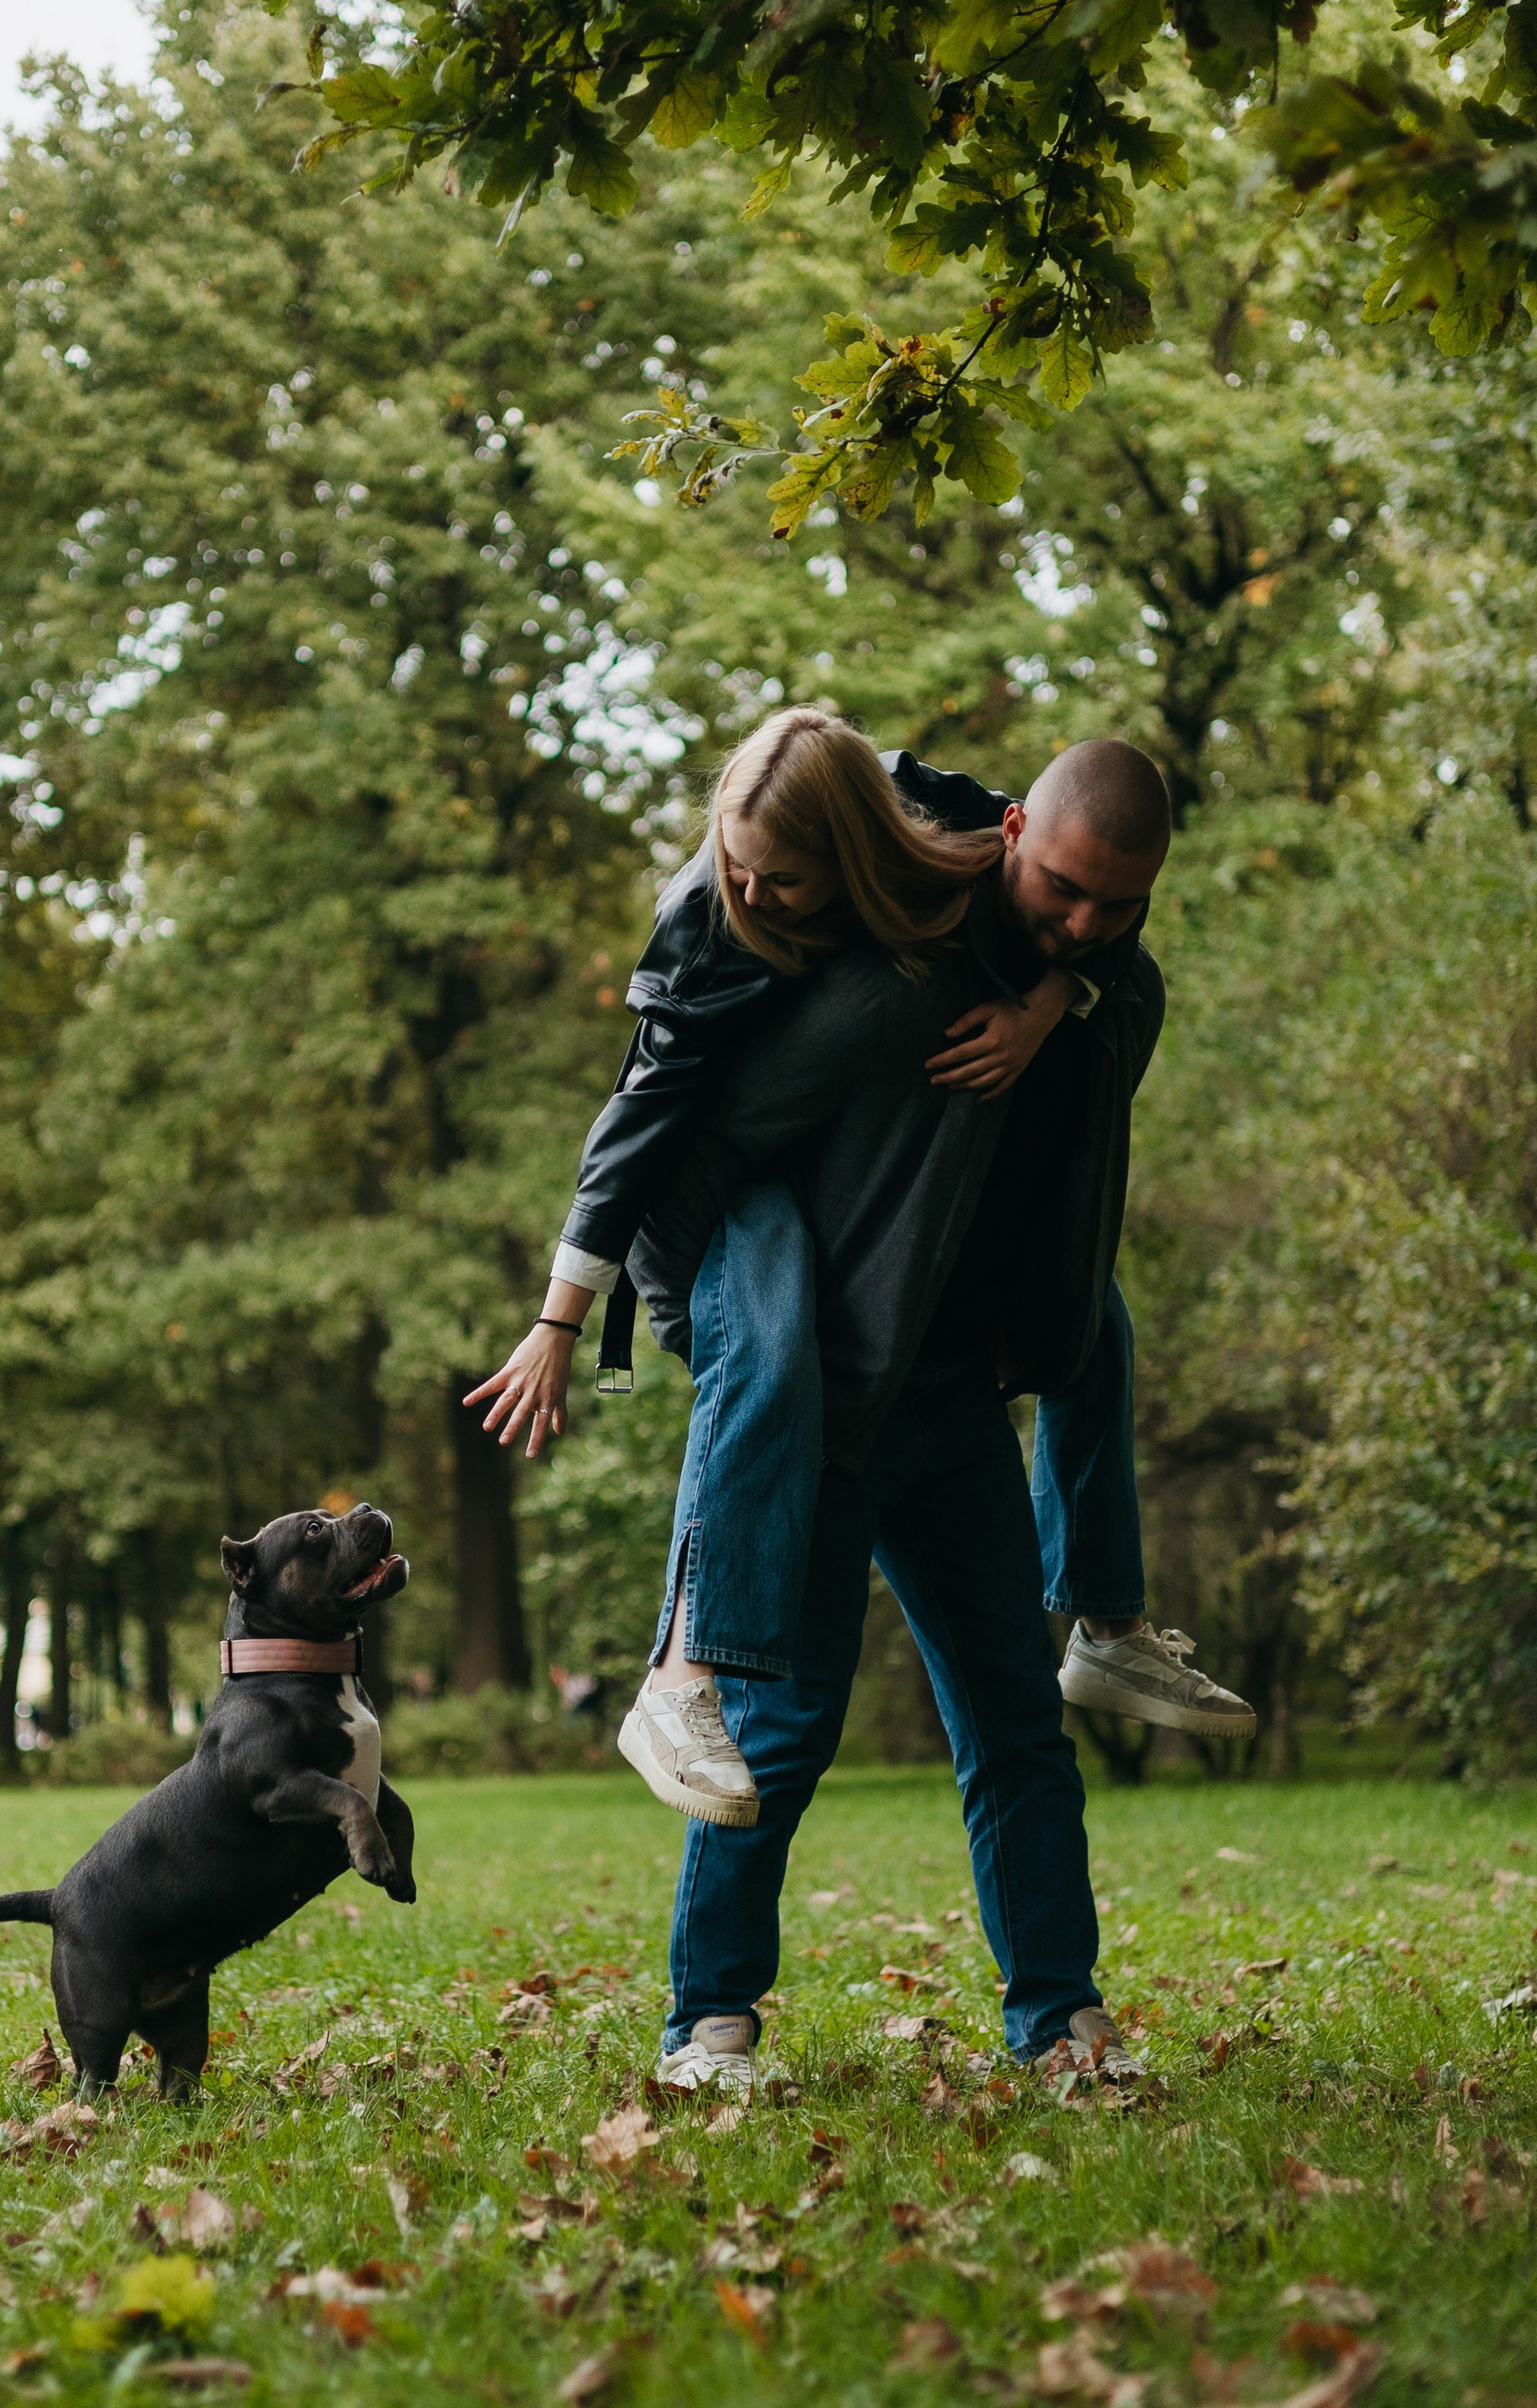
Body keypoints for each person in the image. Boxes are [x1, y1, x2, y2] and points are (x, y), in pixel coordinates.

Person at [465, 719, 1250, 1840]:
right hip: (703, 1192)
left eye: (779, 877)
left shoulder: (959, 862)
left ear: (852, 858)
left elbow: (1098, 935)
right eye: (738, 867)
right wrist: (562, 1319)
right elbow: (640, 1114)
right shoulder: (719, 919)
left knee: (1091, 1315)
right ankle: (677, 1676)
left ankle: (1109, 1629)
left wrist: (1049, 1001)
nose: (753, 892)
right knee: (774, 1350)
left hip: (797, 1183)